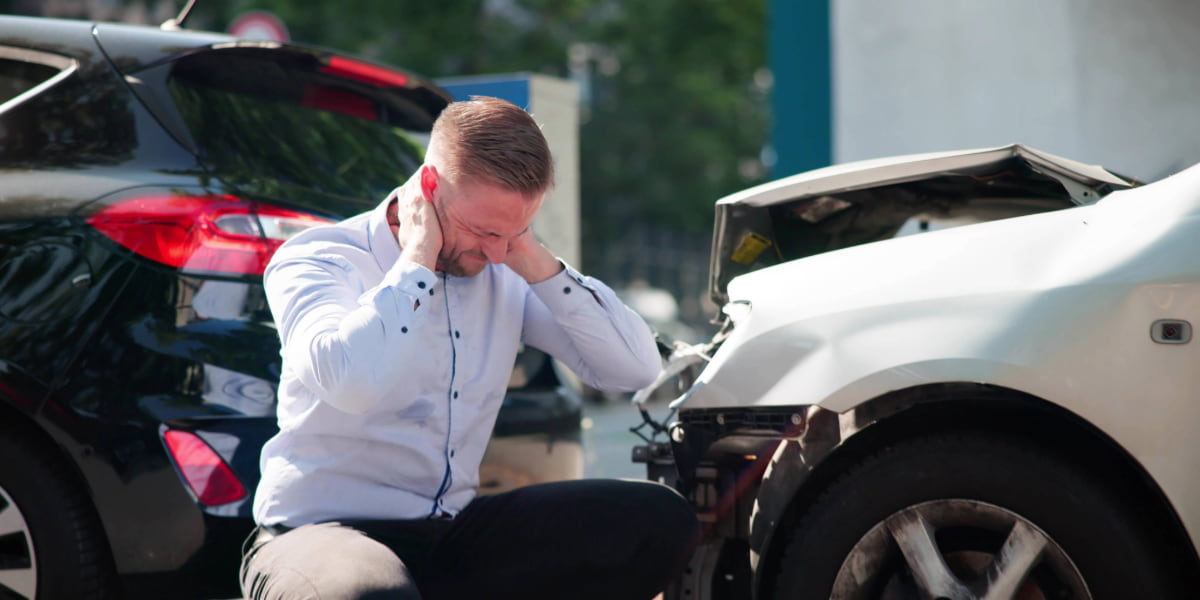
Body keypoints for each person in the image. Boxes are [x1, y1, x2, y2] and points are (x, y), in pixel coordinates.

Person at [239, 96, 699, 600]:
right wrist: (416, 260)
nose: (497, 252)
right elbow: (353, 384)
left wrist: (533, 256)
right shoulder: (318, 257)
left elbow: (633, 369)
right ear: (429, 187)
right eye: (484, 231)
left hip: (451, 532)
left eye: (516, 230)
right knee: (369, 594)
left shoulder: (503, 263)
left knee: (656, 519)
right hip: (321, 534)